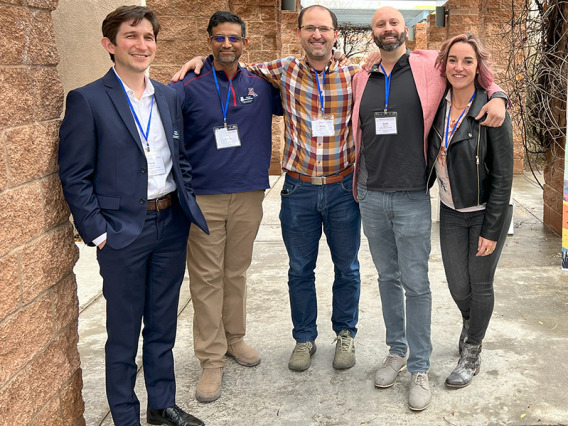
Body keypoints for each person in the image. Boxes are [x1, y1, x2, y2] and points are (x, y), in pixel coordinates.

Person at [173, 5, 362, 372]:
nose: (317, 35)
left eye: (324, 29)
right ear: (299, 33)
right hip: (297, 190)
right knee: (298, 270)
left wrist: (495, 92)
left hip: (340, 188)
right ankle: (301, 339)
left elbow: (410, 71)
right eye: (310, 28)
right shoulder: (282, 71)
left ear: (335, 35)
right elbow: (229, 62)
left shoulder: (356, 73)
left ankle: (344, 334)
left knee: (347, 269)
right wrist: (200, 58)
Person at [351, 7, 507, 411]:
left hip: (412, 198)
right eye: (379, 24)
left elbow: (472, 72)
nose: (387, 29)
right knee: (387, 278)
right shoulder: (360, 76)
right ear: (372, 33)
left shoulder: (427, 69)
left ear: (405, 30)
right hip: (370, 195)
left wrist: (500, 96)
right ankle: (396, 352)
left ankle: (420, 366)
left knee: (416, 284)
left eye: (393, 23)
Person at [58, 6, 207, 426]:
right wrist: (97, 232)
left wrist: (185, 200)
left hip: (170, 224)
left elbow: (181, 158)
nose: (142, 45)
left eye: (148, 37)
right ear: (110, 44)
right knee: (123, 331)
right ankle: (125, 415)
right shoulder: (87, 99)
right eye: (131, 36)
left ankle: (162, 405)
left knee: (162, 324)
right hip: (122, 232)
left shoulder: (169, 95)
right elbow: (74, 174)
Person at [168, 11, 282, 403]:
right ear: (209, 41)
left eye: (234, 38)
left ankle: (235, 339)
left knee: (236, 272)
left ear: (244, 43)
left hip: (249, 194)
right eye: (219, 38)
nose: (227, 44)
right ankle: (211, 358)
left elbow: (308, 82)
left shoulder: (263, 86)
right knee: (206, 278)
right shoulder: (187, 86)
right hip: (204, 197)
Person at [426, 33, 513, 389]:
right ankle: (471, 323)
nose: (459, 67)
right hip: (449, 210)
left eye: (468, 61)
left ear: (479, 69)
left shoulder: (490, 111)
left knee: (480, 284)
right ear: (443, 65)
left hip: (484, 213)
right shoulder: (436, 105)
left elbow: (504, 176)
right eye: (453, 60)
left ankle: (472, 349)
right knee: (457, 285)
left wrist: (491, 229)